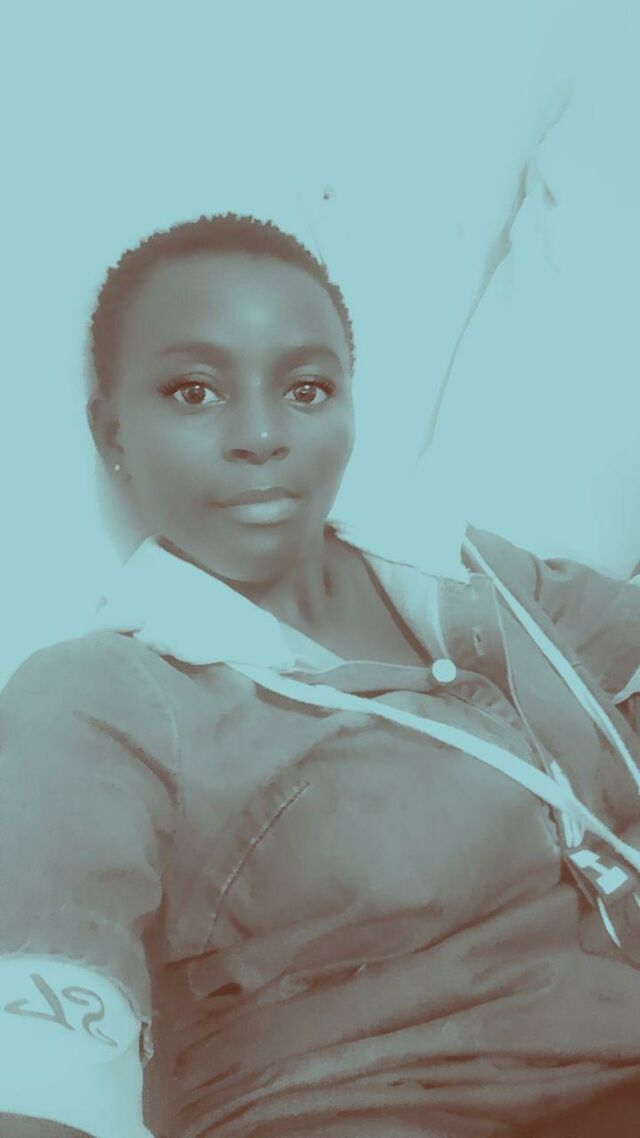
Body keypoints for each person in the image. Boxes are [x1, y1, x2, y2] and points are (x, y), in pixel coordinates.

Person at [1, 214, 640, 1138]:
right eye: (194, 391)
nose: (262, 435)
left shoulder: (468, 574)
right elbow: (36, 1080)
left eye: (305, 389)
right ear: (113, 435)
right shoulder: (96, 700)